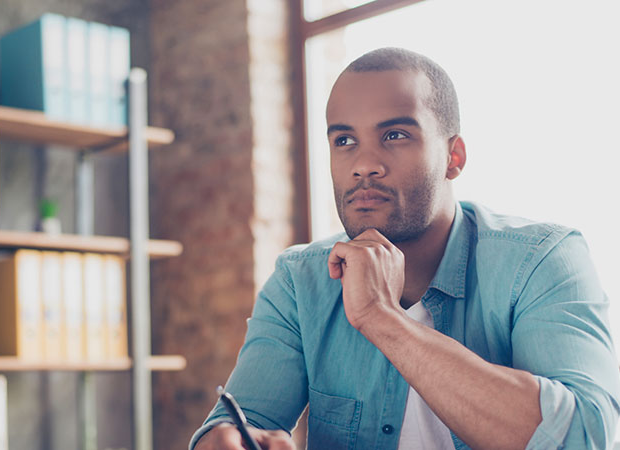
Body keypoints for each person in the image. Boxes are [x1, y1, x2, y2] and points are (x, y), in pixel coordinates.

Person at [190, 47, 620, 449]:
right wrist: (226, 439)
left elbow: (584, 433)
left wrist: (383, 319)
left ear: (454, 157)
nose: (363, 164)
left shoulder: (542, 260)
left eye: (394, 135)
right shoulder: (300, 280)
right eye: (344, 141)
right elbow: (241, 421)